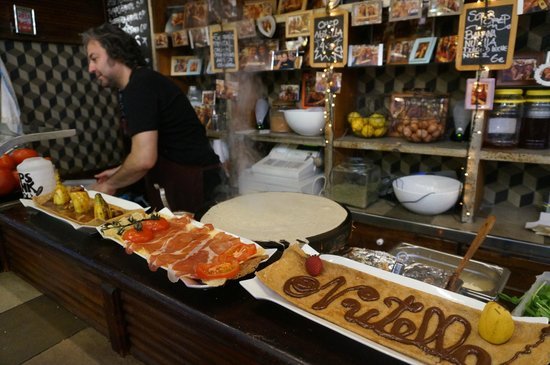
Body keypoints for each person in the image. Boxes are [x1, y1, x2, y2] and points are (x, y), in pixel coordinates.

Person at [82, 23, 222, 214]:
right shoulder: (139, 83)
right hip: (183, 180)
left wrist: (108, 186)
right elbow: (151, 148)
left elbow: (143, 159)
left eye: (94, 58)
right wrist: (120, 170)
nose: (90, 68)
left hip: (194, 184)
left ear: (115, 52)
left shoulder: (140, 86)